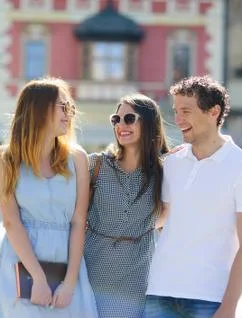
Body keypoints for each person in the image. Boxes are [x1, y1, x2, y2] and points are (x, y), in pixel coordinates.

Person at [145, 75, 242, 318]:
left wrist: (230, 305)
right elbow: (162, 219)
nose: (178, 120)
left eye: (186, 111)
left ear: (213, 112)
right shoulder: (172, 162)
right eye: (176, 111)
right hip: (159, 291)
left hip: (209, 297)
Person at [0, 77, 98, 317]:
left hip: (68, 263)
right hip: (21, 262)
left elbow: (79, 221)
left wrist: (70, 283)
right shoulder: (5, 159)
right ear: (39, 109)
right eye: (63, 107)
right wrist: (37, 277)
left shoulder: (78, 158)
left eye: (70, 107)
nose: (70, 114)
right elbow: (11, 222)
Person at [84, 93, 169, 318]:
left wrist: (140, 228)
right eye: (116, 119)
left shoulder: (164, 172)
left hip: (136, 283)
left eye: (129, 118)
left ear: (149, 123)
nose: (121, 125)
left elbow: (167, 215)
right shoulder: (95, 165)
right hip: (91, 275)